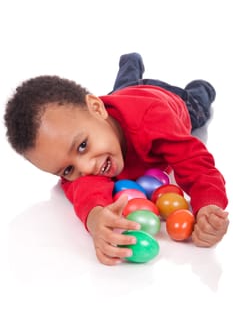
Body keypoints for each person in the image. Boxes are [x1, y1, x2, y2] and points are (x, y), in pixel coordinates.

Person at [4, 53, 229, 266]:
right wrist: (95, 217)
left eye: (82, 146)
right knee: (124, 88)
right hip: (121, 97)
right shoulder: (89, 132)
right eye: (67, 170)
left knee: (197, 107)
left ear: (97, 108)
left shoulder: (153, 120)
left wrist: (208, 206)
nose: (85, 168)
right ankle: (131, 66)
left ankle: (201, 88)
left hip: (171, 100)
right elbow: (83, 189)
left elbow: (194, 162)